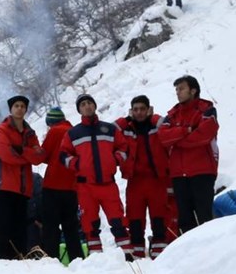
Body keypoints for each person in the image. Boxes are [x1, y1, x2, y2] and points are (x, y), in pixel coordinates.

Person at [60, 94, 132, 257]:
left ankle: (127, 255)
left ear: (95, 105)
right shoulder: (73, 133)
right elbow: (63, 156)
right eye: (83, 104)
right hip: (86, 187)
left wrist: (116, 159)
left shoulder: (110, 129)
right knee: (90, 224)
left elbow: (124, 148)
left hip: (108, 184)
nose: (87, 106)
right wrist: (78, 164)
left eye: (90, 103)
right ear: (79, 110)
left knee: (118, 221)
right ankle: (96, 257)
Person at [157, 75, 219, 235]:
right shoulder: (172, 114)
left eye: (182, 89)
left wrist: (177, 140)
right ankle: (192, 256)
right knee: (185, 220)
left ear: (193, 90)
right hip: (179, 175)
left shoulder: (207, 110)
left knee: (205, 217)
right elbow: (163, 137)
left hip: (202, 171)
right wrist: (187, 130)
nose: (178, 92)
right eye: (176, 89)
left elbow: (204, 135)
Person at [0, 95, 46, 259]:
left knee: (20, 229)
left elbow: (39, 157)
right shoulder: (2, 129)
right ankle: (1, 260)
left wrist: (21, 150)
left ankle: (18, 259)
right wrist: (27, 154)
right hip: (3, 186)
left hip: (22, 188)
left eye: (22, 106)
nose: (20, 108)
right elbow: (5, 153)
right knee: (2, 229)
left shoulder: (30, 133)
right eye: (16, 106)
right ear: (11, 109)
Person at [116, 95, 171, 259]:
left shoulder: (157, 126)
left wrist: (153, 117)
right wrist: (126, 119)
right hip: (135, 180)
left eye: (142, 109)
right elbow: (110, 129)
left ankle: (159, 252)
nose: (139, 112)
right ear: (131, 111)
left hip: (157, 179)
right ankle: (137, 251)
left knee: (159, 216)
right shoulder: (127, 128)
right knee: (134, 218)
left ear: (149, 109)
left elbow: (168, 123)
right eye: (136, 109)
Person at [39, 106, 85, 263]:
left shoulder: (55, 131)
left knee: (51, 227)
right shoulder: (74, 131)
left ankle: (52, 261)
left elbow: (44, 155)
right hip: (71, 187)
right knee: (71, 227)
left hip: (53, 184)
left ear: (51, 122)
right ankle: (77, 260)